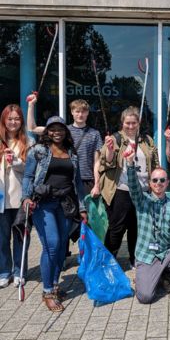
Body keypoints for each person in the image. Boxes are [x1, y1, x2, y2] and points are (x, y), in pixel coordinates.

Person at [22, 116, 86, 312]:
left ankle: (55, 285)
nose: (56, 132)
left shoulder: (71, 153)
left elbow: (78, 182)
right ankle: (47, 291)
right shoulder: (38, 151)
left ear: (65, 131)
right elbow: (28, 176)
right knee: (52, 245)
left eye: (60, 129)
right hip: (44, 204)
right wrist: (26, 197)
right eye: (52, 129)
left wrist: (83, 207)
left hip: (65, 204)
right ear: (47, 131)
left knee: (60, 248)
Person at [125, 149, 170, 303]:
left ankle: (164, 275)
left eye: (162, 180)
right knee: (145, 297)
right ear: (150, 183)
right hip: (146, 255)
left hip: (166, 253)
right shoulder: (142, 202)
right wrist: (129, 164)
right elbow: (134, 187)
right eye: (155, 180)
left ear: (167, 183)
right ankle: (148, 276)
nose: (158, 183)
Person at [99, 106, 159, 269]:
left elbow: (154, 163)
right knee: (117, 227)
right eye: (127, 123)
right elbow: (106, 162)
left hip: (143, 190)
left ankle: (135, 258)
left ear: (139, 123)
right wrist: (110, 150)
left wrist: (156, 185)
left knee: (137, 227)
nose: (131, 126)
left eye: (134, 123)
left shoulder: (147, 140)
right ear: (122, 123)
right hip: (121, 190)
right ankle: (108, 260)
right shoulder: (115, 138)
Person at [27, 95, 103, 197]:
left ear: (88, 113)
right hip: (67, 179)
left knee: (86, 212)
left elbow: (97, 162)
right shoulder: (62, 131)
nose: (80, 115)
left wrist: (97, 185)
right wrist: (31, 105)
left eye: (83, 112)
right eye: (77, 111)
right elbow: (32, 128)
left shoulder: (95, 134)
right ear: (72, 112)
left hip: (87, 179)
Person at [0, 104, 33, 288]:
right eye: (10, 118)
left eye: (17, 118)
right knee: (2, 239)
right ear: (4, 120)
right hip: (1, 199)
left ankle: (19, 271)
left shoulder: (27, 141)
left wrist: (16, 161)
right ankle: (4, 271)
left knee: (21, 237)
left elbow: (30, 169)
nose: (13, 122)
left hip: (20, 197)